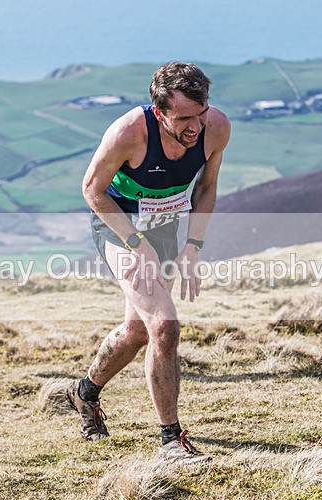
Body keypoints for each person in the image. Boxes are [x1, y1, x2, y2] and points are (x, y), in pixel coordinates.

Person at [69, 62, 231, 463]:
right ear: (159, 112)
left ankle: (85, 392)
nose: (195, 127)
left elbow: (207, 187)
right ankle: (171, 441)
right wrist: (135, 242)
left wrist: (193, 245)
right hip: (120, 227)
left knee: (137, 330)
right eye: (184, 118)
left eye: (201, 113)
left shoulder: (217, 127)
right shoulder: (129, 133)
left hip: (165, 227)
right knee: (164, 325)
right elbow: (92, 190)